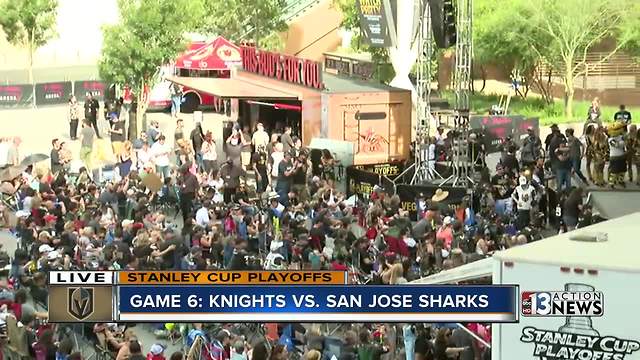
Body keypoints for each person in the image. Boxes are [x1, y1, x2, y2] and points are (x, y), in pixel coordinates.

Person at [607, 121, 627, 188]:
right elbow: (617, 145)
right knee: (614, 171)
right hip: (614, 157)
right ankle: (611, 183)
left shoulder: (621, 137)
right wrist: (623, 141)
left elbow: (624, 142)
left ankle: (620, 181)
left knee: (622, 170)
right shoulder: (610, 140)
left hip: (622, 156)